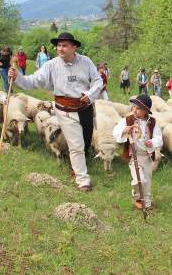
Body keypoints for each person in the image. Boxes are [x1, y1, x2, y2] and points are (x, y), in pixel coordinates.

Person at [9, 32, 103, 192]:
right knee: (76, 145)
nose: (61, 48)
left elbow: (98, 81)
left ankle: (77, 163)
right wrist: (18, 77)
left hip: (85, 108)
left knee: (86, 142)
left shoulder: (85, 62)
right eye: (59, 45)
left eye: (65, 45)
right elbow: (34, 81)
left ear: (74, 47)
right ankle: (83, 180)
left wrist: (89, 95)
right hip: (65, 110)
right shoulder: (52, 65)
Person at [112, 94, 163, 210]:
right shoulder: (128, 120)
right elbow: (116, 132)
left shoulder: (152, 122)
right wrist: (125, 130)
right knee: (139, 179)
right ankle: (137, 197)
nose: (135, 110)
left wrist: (153, 142)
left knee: (147, 180)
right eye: (134, 107)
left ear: (146, 110)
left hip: (147, 156)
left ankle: (148, 202)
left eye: (138, 108)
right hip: (134, 155)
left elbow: (158, 138)